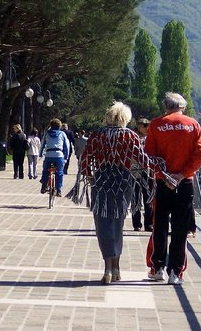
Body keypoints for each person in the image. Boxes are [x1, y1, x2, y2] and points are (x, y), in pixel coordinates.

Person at [78, 102, 155, 284]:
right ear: (125, 118)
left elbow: (85, 158)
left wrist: (89, 175)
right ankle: (117, 267)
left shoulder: (97, 135)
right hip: (123, 180)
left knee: (103, 223)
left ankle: (107, 269)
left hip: (102, 179)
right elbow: (142, 159)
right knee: (118, 222)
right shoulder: (130, 136)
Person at [145, 92, 201, 285]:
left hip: (163, 183)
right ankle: (176, 273)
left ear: (166, 106)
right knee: (180, 229)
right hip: (184, 183)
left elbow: (149, 156)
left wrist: (165, 176)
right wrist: (181, 175)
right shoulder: (193, 125)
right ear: (183, 107)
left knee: (160, 226)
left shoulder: (155, 125)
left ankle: (158, 268)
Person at [132, 118, 153, 232]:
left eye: (148, 125)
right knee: (135, 198)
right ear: (138, 126)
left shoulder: (151, 138)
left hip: (148, 171)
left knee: (148, 198)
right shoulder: (132, 138)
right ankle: (136, 224)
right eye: (144, 125)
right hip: (134, 171)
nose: (146, 128)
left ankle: (149, 223)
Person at [39, 118, 70, 196]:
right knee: (59, 172)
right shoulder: (62, 134)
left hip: (49, 154)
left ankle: (44, 185)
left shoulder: (46, 133)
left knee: (46, 170)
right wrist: (66, 157)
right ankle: (58, 189)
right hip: (59, 155)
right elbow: (67, 146)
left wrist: (40, 154)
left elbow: (42, 144)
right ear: (59, 126)